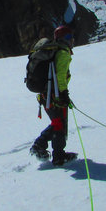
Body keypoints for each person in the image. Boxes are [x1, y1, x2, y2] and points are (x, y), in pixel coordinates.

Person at [30, 25, 78, 166]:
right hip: (55, 95)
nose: (72, 40)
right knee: (60, 125)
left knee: (57, 123)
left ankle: (41, 146)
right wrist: (63, 93)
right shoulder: (62, 52)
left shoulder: (53, 50)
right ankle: (58, 156)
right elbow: (60, 75)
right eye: (70, 37)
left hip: (45, 95)